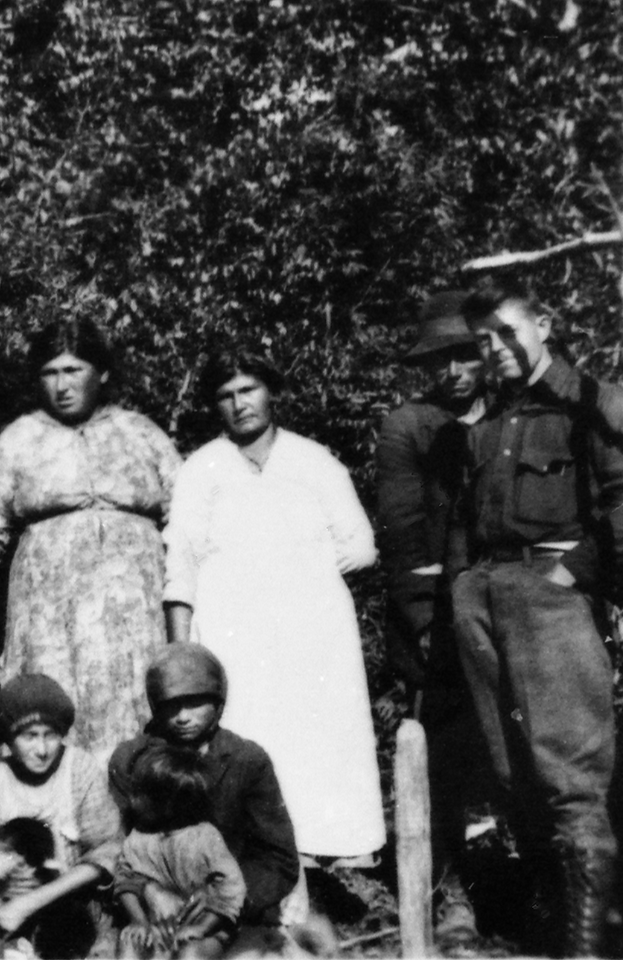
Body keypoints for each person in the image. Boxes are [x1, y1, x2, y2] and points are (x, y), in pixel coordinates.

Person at [450, 275, 623, 958]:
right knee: (511, 774)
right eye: (483, 339)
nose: (494, 348)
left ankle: (586, 950)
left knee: (570, 778)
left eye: (506, 331)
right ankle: (545, 929)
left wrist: (570, 576)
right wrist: (468, 584)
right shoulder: (491, 422)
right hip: (487, 595)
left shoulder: (593, 404)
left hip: (549, 597)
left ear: (544, 322)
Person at [162, 349, 384, 866]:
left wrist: (297, 568)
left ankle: (326, 851)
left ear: (271, 391)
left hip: (313, 627)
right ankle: (262, 859)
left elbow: (362, 545)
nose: (240, 404)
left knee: (318, 728)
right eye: (226, 395)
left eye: (249, 389)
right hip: (235, 630)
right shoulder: (202, 468)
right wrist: (181, 652)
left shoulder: (313, 460)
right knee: (253, 731)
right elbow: (181, 565)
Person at [0, 319, 182, 754]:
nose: (61, 385)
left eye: (73, 370)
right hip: (49, 614)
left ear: (102, 374)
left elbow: (186, 520)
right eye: (50, 372)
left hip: (135, 613)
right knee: (54, 709)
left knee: (136, 709)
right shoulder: (20, 438)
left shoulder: (140, 432)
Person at [374, 290, 487, 941]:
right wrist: (421, 617)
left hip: (509, 611)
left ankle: (545, 883)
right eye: (440, 359)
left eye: (465, 355)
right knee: (441, 757)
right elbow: (403, 531)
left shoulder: (512, 414)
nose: (453, 371)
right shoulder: (410, 425)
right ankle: (451, 894)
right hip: (437, 617)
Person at [108, 645, 299, 942]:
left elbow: (278, 859)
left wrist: (218, 900)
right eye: (171, 705)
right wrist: (148, 890)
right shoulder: (132, 759)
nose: (183, 717)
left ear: (219, 702)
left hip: (232, 911)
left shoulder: (246, 760)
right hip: (151, 912)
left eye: (195, 704)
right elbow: (116, 846)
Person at [0, 674, 124, 958]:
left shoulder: (78, 768)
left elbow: (105, 853)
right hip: (10, 912)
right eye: (30, 736)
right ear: (9, 740)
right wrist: (2, 882)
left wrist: (34, 900)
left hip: (76, 912)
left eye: (50, 735)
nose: (42, 749)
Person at [114, 743, 245, 959]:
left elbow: (231, 889)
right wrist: (138, 920)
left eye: (141, 794)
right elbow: (125, 881)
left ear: (168, 804)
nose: (132, 800)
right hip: (156, 922)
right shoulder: (138, 838)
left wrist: (202, 927)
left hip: (209, 925)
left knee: (190, 954)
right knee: (130, 945)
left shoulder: (204, 837)